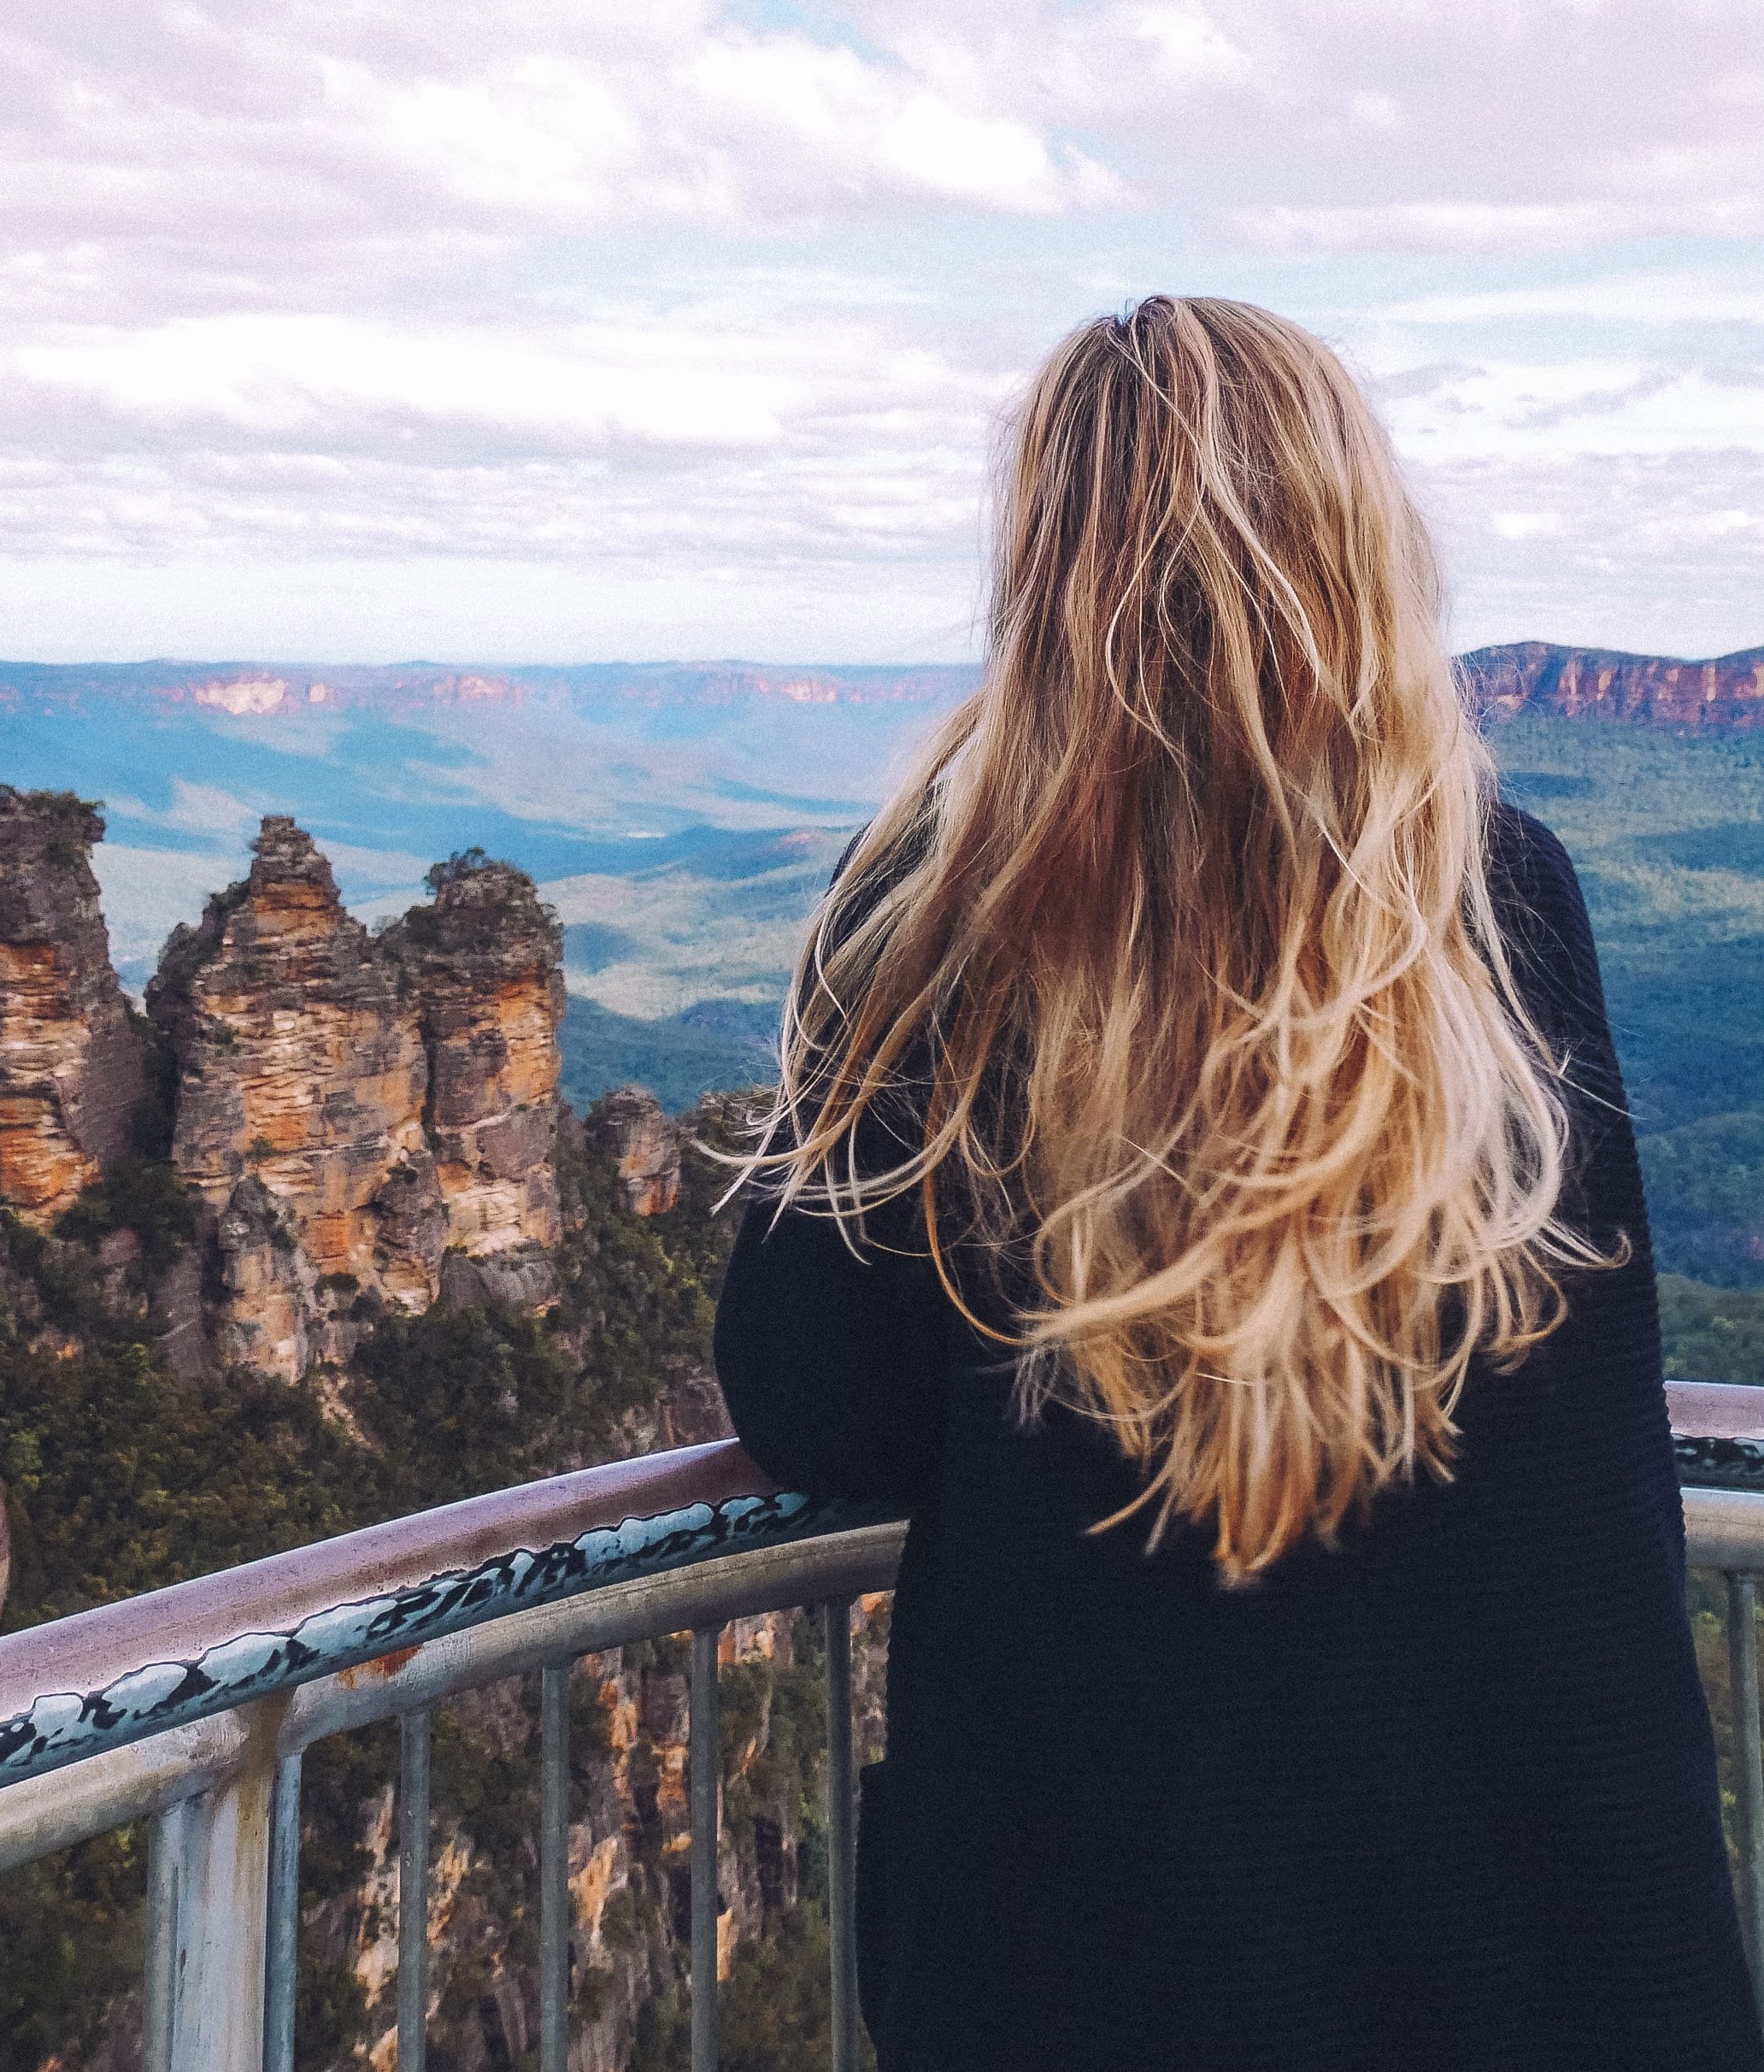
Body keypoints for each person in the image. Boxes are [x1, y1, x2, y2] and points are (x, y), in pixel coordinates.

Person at [712, 297, 1761, 2071]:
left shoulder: (925, 922)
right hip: (1530, 1927)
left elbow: (818, 1410)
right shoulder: (1496, 897)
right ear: (1355, 549)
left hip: (1098, 1935)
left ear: (1045, 572)